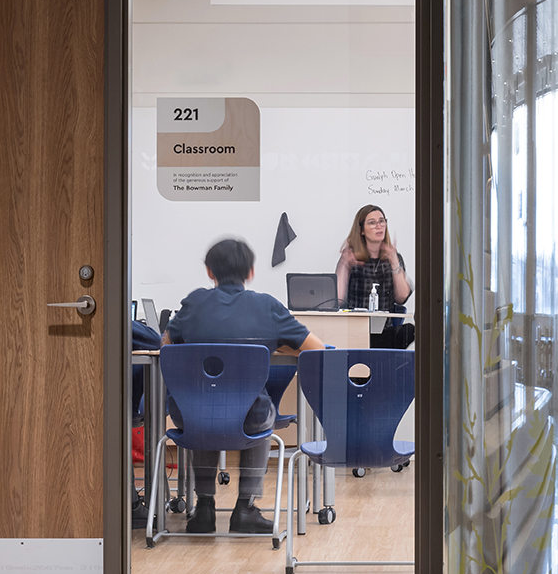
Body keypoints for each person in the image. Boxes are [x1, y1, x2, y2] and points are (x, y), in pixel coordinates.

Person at [164, 237, 324, 535]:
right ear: (250, 272)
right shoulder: (267, 307)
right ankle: (245, 508)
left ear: (210, 272)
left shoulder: (194, 303)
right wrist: (280, 347)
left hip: (190, 415)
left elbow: (167, 346)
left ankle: (204, 510)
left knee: (205, 409)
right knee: (256, 410)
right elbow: (317, 349)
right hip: (248, 417)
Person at [333, 204, 415, 349]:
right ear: (361, 230)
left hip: (384, 331)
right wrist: (344, 265)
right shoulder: (351, 257)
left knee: (410, 330)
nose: (379, 226)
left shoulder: (394, 257)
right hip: (355, 330)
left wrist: (394, 261)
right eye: (372, 223)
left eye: (382, 221)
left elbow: (402, 298)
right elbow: (338, 300)